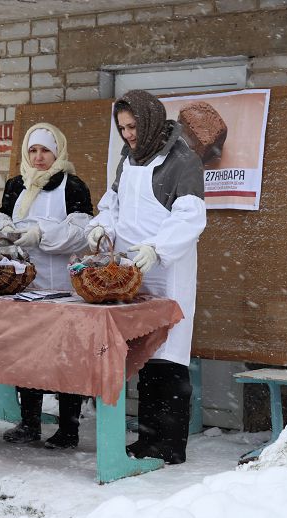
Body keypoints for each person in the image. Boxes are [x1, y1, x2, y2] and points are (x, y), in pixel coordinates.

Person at [86, 89, 206, 464]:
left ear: (150, 121)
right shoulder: (128, 159)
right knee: (144, 356)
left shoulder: (183, 161)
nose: (128, 135)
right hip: (129, 273)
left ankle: (171, 445)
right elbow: (113, 205)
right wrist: (102, 226)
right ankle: (148, 439)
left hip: (167, 270)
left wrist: (157, 248)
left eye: (133, 127)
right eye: (122, 128)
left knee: (168, 359)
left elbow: (190, 218)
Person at [0, 123, 93, 449]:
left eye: (45, 150)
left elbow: (82, 233)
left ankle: (69, 428)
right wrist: (4, 232)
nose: (39, 157)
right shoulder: (17, 185)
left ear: (58, 152)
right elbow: (0, 220)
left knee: (66, 355)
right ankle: (29, 422)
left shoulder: (72, 186)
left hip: (62, 286)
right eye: (33, 150)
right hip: (25, 284)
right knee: (28, 353)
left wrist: (41, 235)